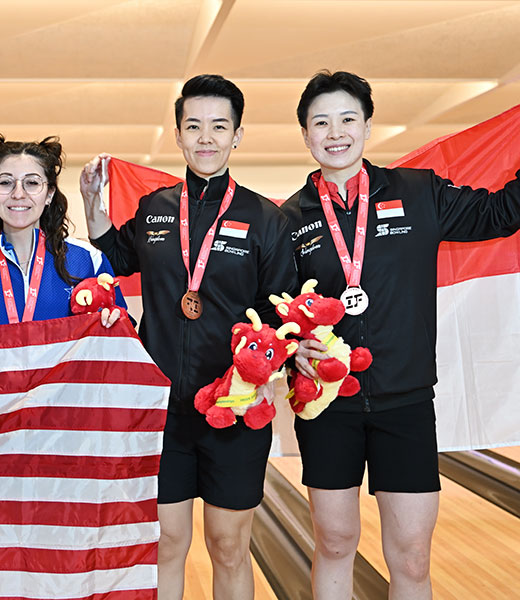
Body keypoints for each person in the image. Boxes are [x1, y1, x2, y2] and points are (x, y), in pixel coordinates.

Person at [283, 70, 520, 599]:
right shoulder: (289, 220)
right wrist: (291, 348)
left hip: (405, 403)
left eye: (348, 119)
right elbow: (274, 308)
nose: (336, 132)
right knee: (335, 542)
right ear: (305, 134)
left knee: (412, 554)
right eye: (321, 122)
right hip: (327, 405)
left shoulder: (420, 193)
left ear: (368, 126)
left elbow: (501, 214)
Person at [80, 74, 298, 599]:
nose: (206, 137)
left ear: (237, 135)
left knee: (229, 544)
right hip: (163, 410)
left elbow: (283, 312)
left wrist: (262, 376)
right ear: (178, 134)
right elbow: (117, 258)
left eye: (219, 126)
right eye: (194, 125)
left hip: (234, 408)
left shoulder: (264, 218)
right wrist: (90, 204)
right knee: (167, 542)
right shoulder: (154, 208)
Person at [0, 134, 124, 327]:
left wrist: (111, 321)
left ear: (49, 194)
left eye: (32, 183)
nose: (18, 194)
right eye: (6, 182)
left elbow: (121, 330)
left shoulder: (86, 259)